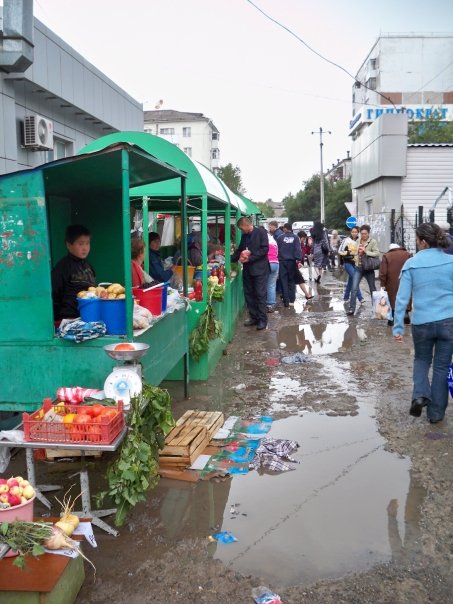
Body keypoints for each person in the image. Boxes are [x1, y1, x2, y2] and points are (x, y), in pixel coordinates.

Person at [393, 222, 453, 424]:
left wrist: (398, 327)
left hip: (422, 324)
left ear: (424, 242)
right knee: (441, 367)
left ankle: (420, 395)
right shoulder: (451, 262)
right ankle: (436, 414)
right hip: (448, 322)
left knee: (421, 360)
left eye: (417, 240)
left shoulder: (411, 264)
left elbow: (402, 299)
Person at [51, 224, 96, 321]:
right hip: (68, 319)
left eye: (87, 243)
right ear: (69, 245)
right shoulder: (62, 267)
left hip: (87, 317)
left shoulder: (89, 267)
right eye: (81, 244)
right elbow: (54, 295)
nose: (85, 248)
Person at [231, 217, 269, 330]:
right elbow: (239, 250)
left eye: (241, 228)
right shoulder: (244, 236)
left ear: (247, 225)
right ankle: (254, 317)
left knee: (260, 294)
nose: (241, 230)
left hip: (259, 270)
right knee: (249, 294)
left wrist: (250, 258)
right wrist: (230, 259)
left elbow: (264, 250)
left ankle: (262, 320)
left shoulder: (261, 232)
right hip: (247, 269)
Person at [347, 225, 380, 316]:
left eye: (365, 234)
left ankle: (375, 309)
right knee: (354, 288)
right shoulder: (358, 241)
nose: (363, 235)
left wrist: (366, 251)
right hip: (359, 268)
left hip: (369, 268)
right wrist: (353, 253)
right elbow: (354, 252)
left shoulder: (372, 242)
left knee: (372, 289)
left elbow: (377, 253)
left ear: (368, 233)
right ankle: (352, 309)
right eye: (362, 234)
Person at [379, 243, 412, 326]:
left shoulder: (387, 256)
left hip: (391, 282)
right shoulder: (408, 254)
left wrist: (383, 283)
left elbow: (383, 272)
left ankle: (392, 318)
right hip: (406, 280)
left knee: (392, 299)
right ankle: (405, 315)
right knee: (405, 295)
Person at [277, 223, 303, 307]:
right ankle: (292, 300)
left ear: (285, 229)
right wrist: (298, 260)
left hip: (282, 261)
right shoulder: (295, 238)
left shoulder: (280, 238)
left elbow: (277, 249)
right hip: (292, 261)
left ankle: (286, 301)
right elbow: (297, 250)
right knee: (291, 280)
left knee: (283, 280)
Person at [338, 227, 364, 305]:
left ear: (358, 232)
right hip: (347, 262)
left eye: (356, 232)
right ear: (350, 232)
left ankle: (346, 297)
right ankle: (360, 298)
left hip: (356, 263)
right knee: (355, 278)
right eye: (353, 232)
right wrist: (348, 253)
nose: (354, 233)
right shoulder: (346, 240)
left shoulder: (360, 240)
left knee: (351, 280)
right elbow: (340, 251)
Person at [266, 231, 279, 313]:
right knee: (271, 285)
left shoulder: (262, 240)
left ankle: (264, 304)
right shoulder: (273, 241)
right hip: (276, 263)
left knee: (263, 284)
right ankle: (271, 304)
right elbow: (277, 253)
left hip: (266, 263)